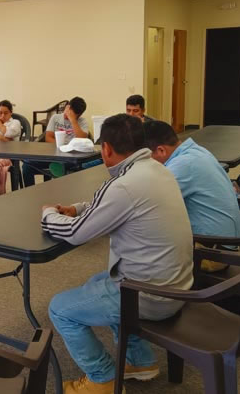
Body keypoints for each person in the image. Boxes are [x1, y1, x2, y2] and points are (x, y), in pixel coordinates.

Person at [42, 114, 193, 394]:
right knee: (96, 283)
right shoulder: (157, 169)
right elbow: (114, 206)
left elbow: (76, 233)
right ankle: (141, 361)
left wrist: (48, 214)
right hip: (177, 286)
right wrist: (78, 208)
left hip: (149, 295)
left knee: (60, 309)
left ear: (107, 149)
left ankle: (103, 379)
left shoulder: (124, 184)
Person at [145, 121, 240, 272]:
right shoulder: (196, 151)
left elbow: (148, 205)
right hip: (225, 245)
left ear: (161, 150)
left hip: (211, 254)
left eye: (147, 158)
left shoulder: (182, 165)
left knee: (139, 241)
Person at [22, 96, 90, 187]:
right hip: (54, 154)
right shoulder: (55, 118)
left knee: (71, 167)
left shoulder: (82, 122)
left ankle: (59, 172)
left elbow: (82, 139)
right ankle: (30, 191)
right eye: (68, 110)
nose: (67, 115)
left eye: (72, 114)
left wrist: (73, 120)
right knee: (27, 165)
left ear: (79, 115)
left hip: (70, 157)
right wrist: (62, 147)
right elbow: (48, 137)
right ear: (67, 107)